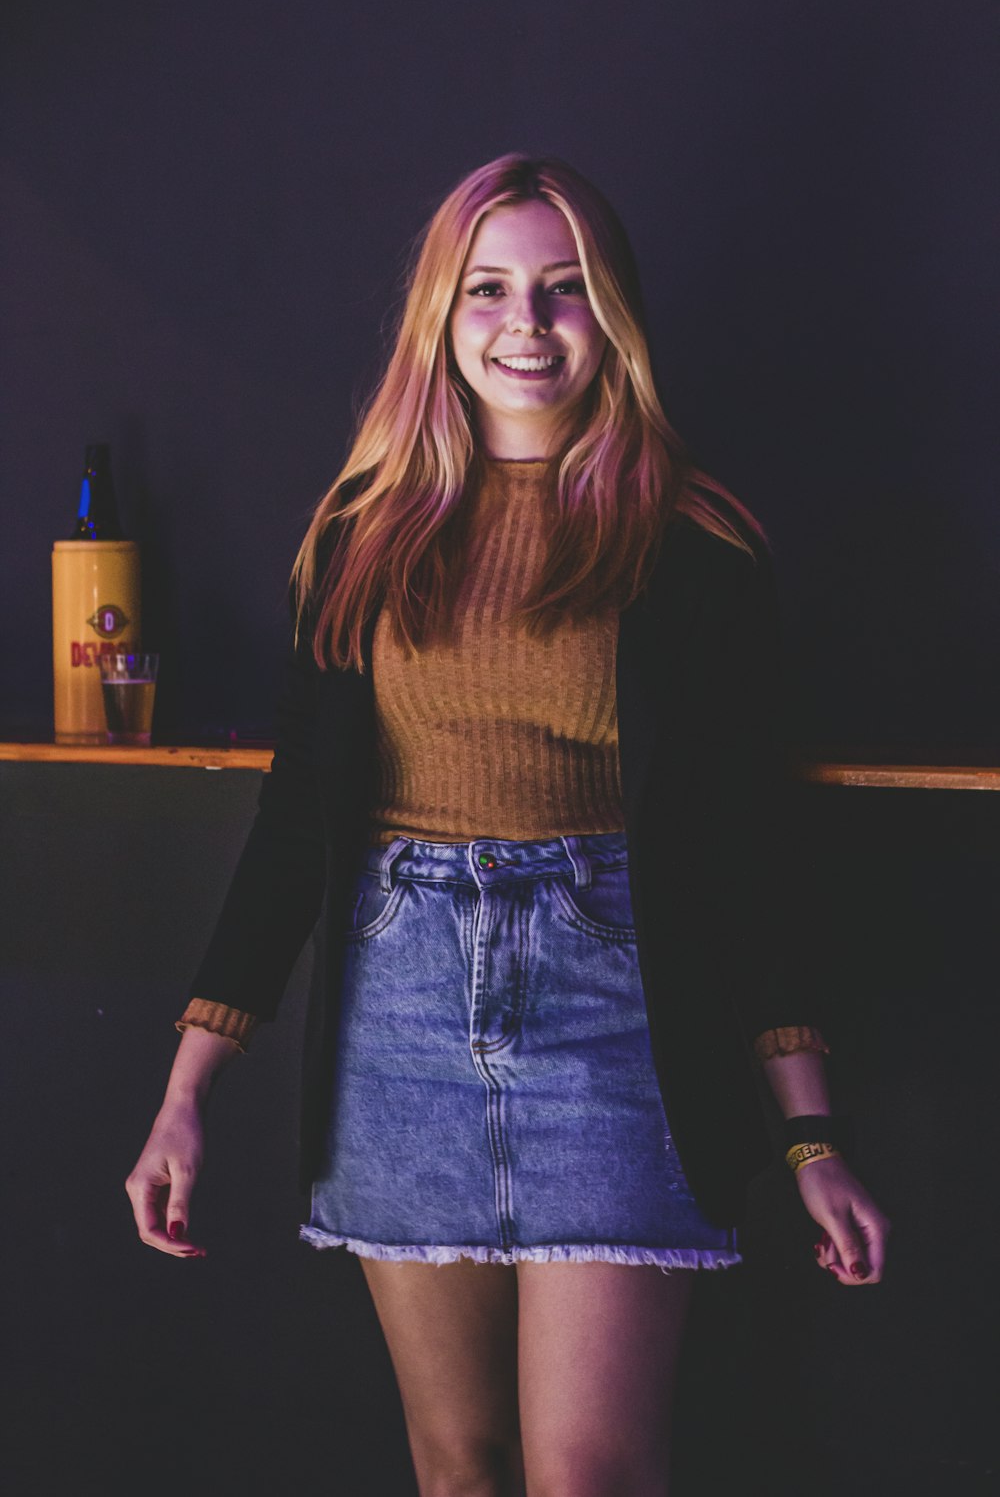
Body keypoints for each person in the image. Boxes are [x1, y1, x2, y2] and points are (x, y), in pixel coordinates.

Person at [126, 152, 891, 1496]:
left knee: (585, 1474)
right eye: (487, 289)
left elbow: (745, 865)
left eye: (563, 290)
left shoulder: (695, 548)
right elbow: (293, 834)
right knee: (461, 1470)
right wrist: (188, 1095)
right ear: (440, 315)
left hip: (618, 1021)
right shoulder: (360, 538)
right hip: (398, 1022)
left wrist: (810, 1137)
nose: (524, 324)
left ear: (613, 321)